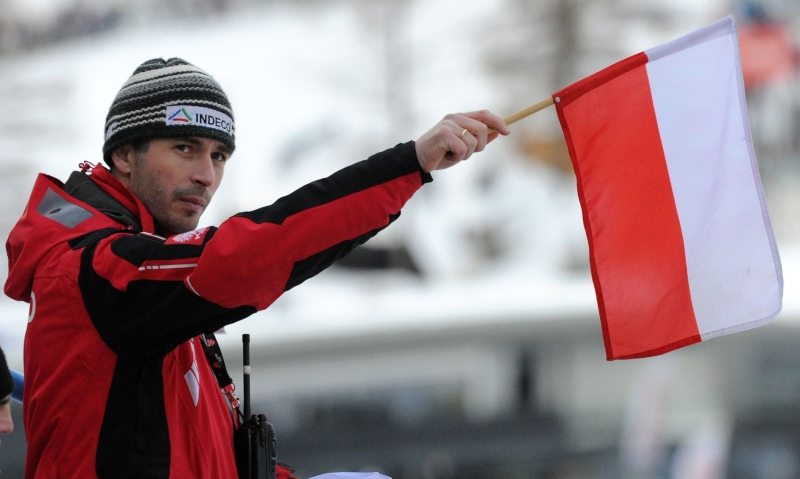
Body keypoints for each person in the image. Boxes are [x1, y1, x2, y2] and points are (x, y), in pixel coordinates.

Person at [3, 58, 509, 479]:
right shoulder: (98, 269)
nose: (205, 175)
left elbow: (206, 460)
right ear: (123, 155)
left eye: (219, 155)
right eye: (185, 148)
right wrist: (408, 165)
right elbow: (250, 255)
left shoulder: (149, 295)